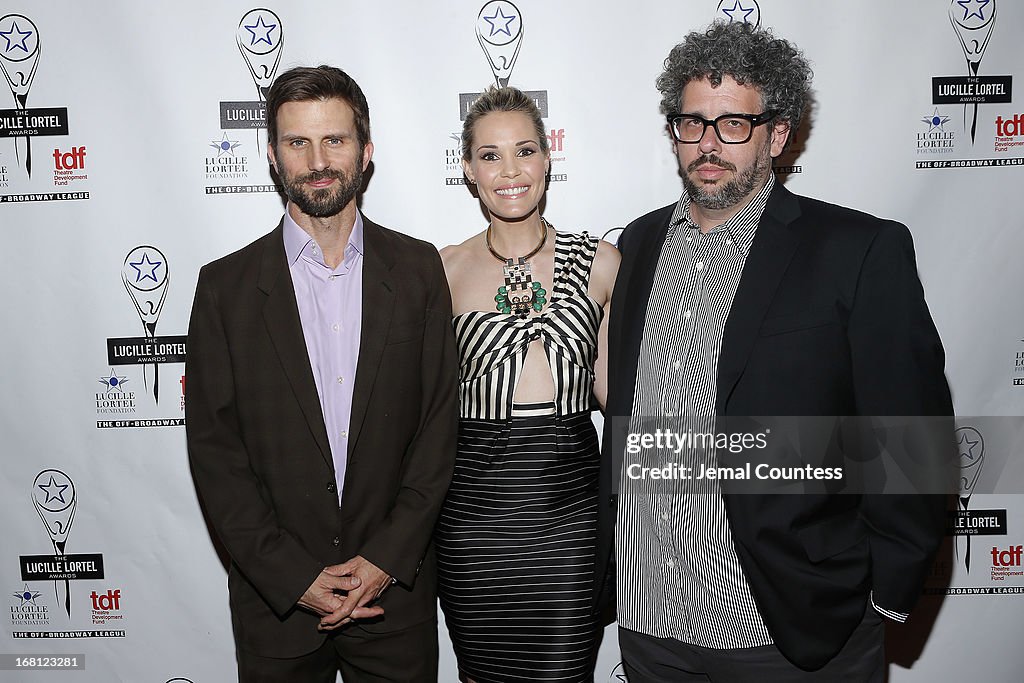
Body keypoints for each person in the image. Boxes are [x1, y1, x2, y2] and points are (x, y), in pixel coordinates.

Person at [595, 21, 953, 681]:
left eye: (734, 124)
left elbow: (915, 439)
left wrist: (880, 597)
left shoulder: (856, 251)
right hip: (652, 630)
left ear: (777, 135)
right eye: (692, 123)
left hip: (792, 632)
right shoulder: (638, 246)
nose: (708, 144)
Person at [186, 65, 457, 682]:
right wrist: (294, 577)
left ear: (366, 151)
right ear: (273, 157)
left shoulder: (417, 270)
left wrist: (384, 559)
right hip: (276, 609)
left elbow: (437, 429)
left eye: (334, 140)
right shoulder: (224, 288)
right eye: (296, 142)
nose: (317, 160)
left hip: (394, 601)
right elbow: (215, 453)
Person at [436, 86, 619, 683]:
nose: (509, 171)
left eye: (524, 151)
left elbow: (619, 399)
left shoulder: (600, 262)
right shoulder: (441, 271)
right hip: (473, 518)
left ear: (547, 159)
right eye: (490, 156)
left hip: (569, 512)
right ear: (468, 169)